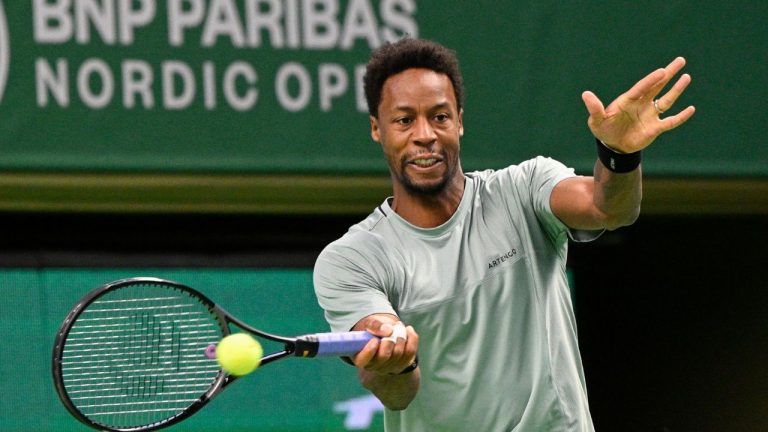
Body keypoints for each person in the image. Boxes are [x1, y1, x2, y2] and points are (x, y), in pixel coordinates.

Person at [313, 38, 694, 431]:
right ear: (378, 128)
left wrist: (619, 156)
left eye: (439, 117)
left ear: (459, 120)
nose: (424, 134)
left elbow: (608, 208)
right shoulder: (352, 258)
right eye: (404, 120)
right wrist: (395, 361)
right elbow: (397, 392)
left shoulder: (524, 189)